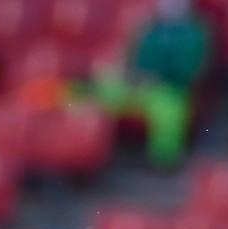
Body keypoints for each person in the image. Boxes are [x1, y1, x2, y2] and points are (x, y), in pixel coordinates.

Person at [75, 0, 213, 169]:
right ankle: (80, 154)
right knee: (88, 92)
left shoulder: (195, 33)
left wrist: (158, 77)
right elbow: (131, 59)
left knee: (168, 111)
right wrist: (123, 72)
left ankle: (163, 164)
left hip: (170, 89)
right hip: (137, 86)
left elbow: (191, 69)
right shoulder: (149, 29)